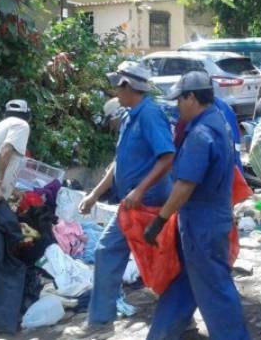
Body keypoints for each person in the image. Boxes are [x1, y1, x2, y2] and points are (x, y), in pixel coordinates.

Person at [64, 61, 175, 338]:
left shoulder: (149, 115)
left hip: (149, 203)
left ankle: (178, 316)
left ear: (128, 86)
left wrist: (139, 190)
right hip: (131, 204)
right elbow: (118, 163)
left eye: (118, 84)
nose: (114, 89)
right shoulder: (129, 115)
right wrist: (93, 194)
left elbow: (167, 157)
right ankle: (100, 320)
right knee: (107, 252)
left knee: (159, 262)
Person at [144, 71, 251, 340]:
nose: (177, 106)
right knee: (188, 280)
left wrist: (158, 222)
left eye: (179, 99)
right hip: (207, 219)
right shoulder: (218, 121)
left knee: (214, 289)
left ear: (191, 97)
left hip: (202, 224)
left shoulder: (200, 135)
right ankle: (161, 334)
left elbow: (184, 186)